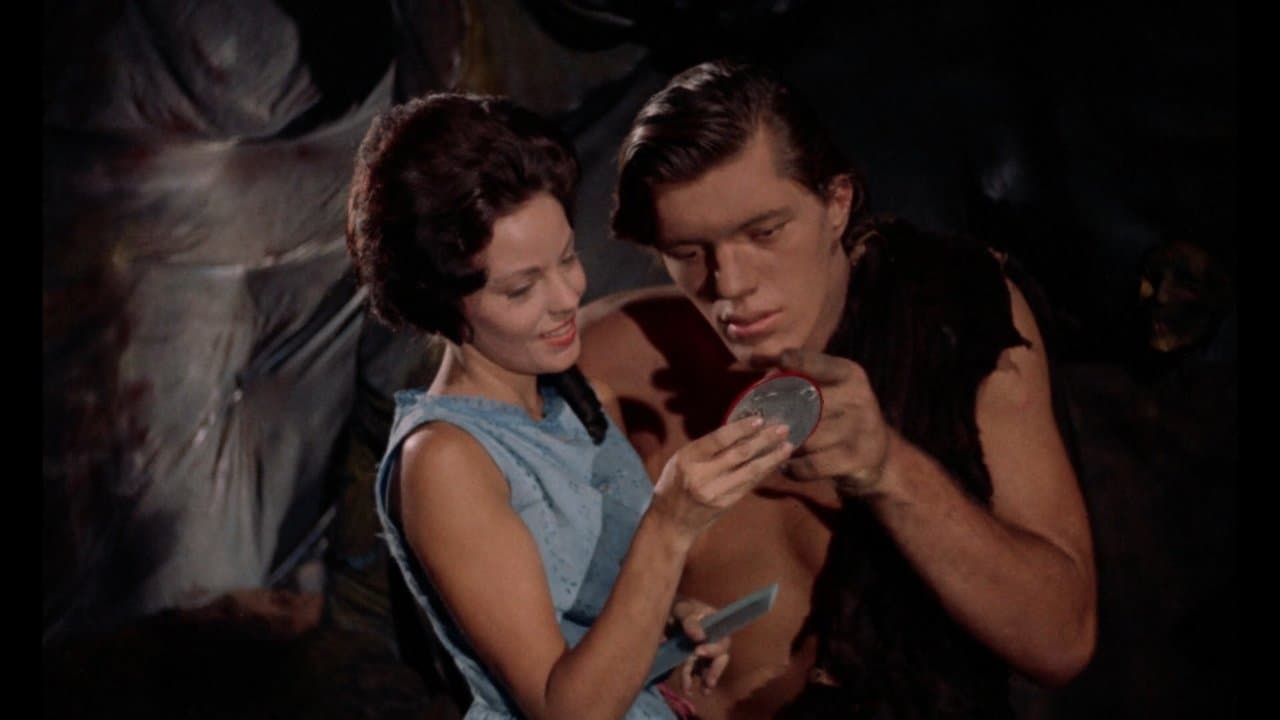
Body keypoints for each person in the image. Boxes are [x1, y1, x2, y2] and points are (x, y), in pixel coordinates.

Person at [578, 59, 1098, 719]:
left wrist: (889, 469)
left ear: (837, 203)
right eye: (688, 252)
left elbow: (1060, 641)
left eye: (764, 233)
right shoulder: (612, 359)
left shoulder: (954, 318)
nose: (730, 283)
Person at [344, 92, 795, 720]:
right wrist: (669, 524)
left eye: (566, 259)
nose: (566, 297)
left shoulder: (573, 401)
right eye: (522, 288)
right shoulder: (445, 459)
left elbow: (585, 609)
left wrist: (668, 625)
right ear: (443, 302)